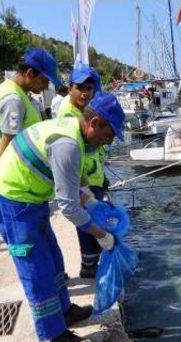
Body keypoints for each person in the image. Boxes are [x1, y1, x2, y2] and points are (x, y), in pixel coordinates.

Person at [0, 92, 125, 342]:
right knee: (36, 268)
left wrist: (92, 202)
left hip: (30, 198)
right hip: (11, 200)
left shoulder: (74, 133)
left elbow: (68, 184)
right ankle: (57, 337)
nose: (108, 142)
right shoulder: (68, 144)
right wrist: (100, 234)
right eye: (108, 135)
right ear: (94, 123)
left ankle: (64, 311)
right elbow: (69, 207)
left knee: (53, 259)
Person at [59, 65, 109, 278]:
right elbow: (69, 158)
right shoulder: (69, 115)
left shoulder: (85, 109)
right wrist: (84, 190)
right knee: (87, 223)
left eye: (89, 88)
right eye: (80, 88)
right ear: (70, 88)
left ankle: (93, 262)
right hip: (82, 179)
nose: (85, 93)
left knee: (93, 218)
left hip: (93, 176)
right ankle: (88, 267)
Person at [0, 47, 61, 165]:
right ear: (30, 74)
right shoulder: (14, 100)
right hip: (17, 177)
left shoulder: (5, 88)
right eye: (45, 81)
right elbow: (6, 147)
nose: (47, 87)